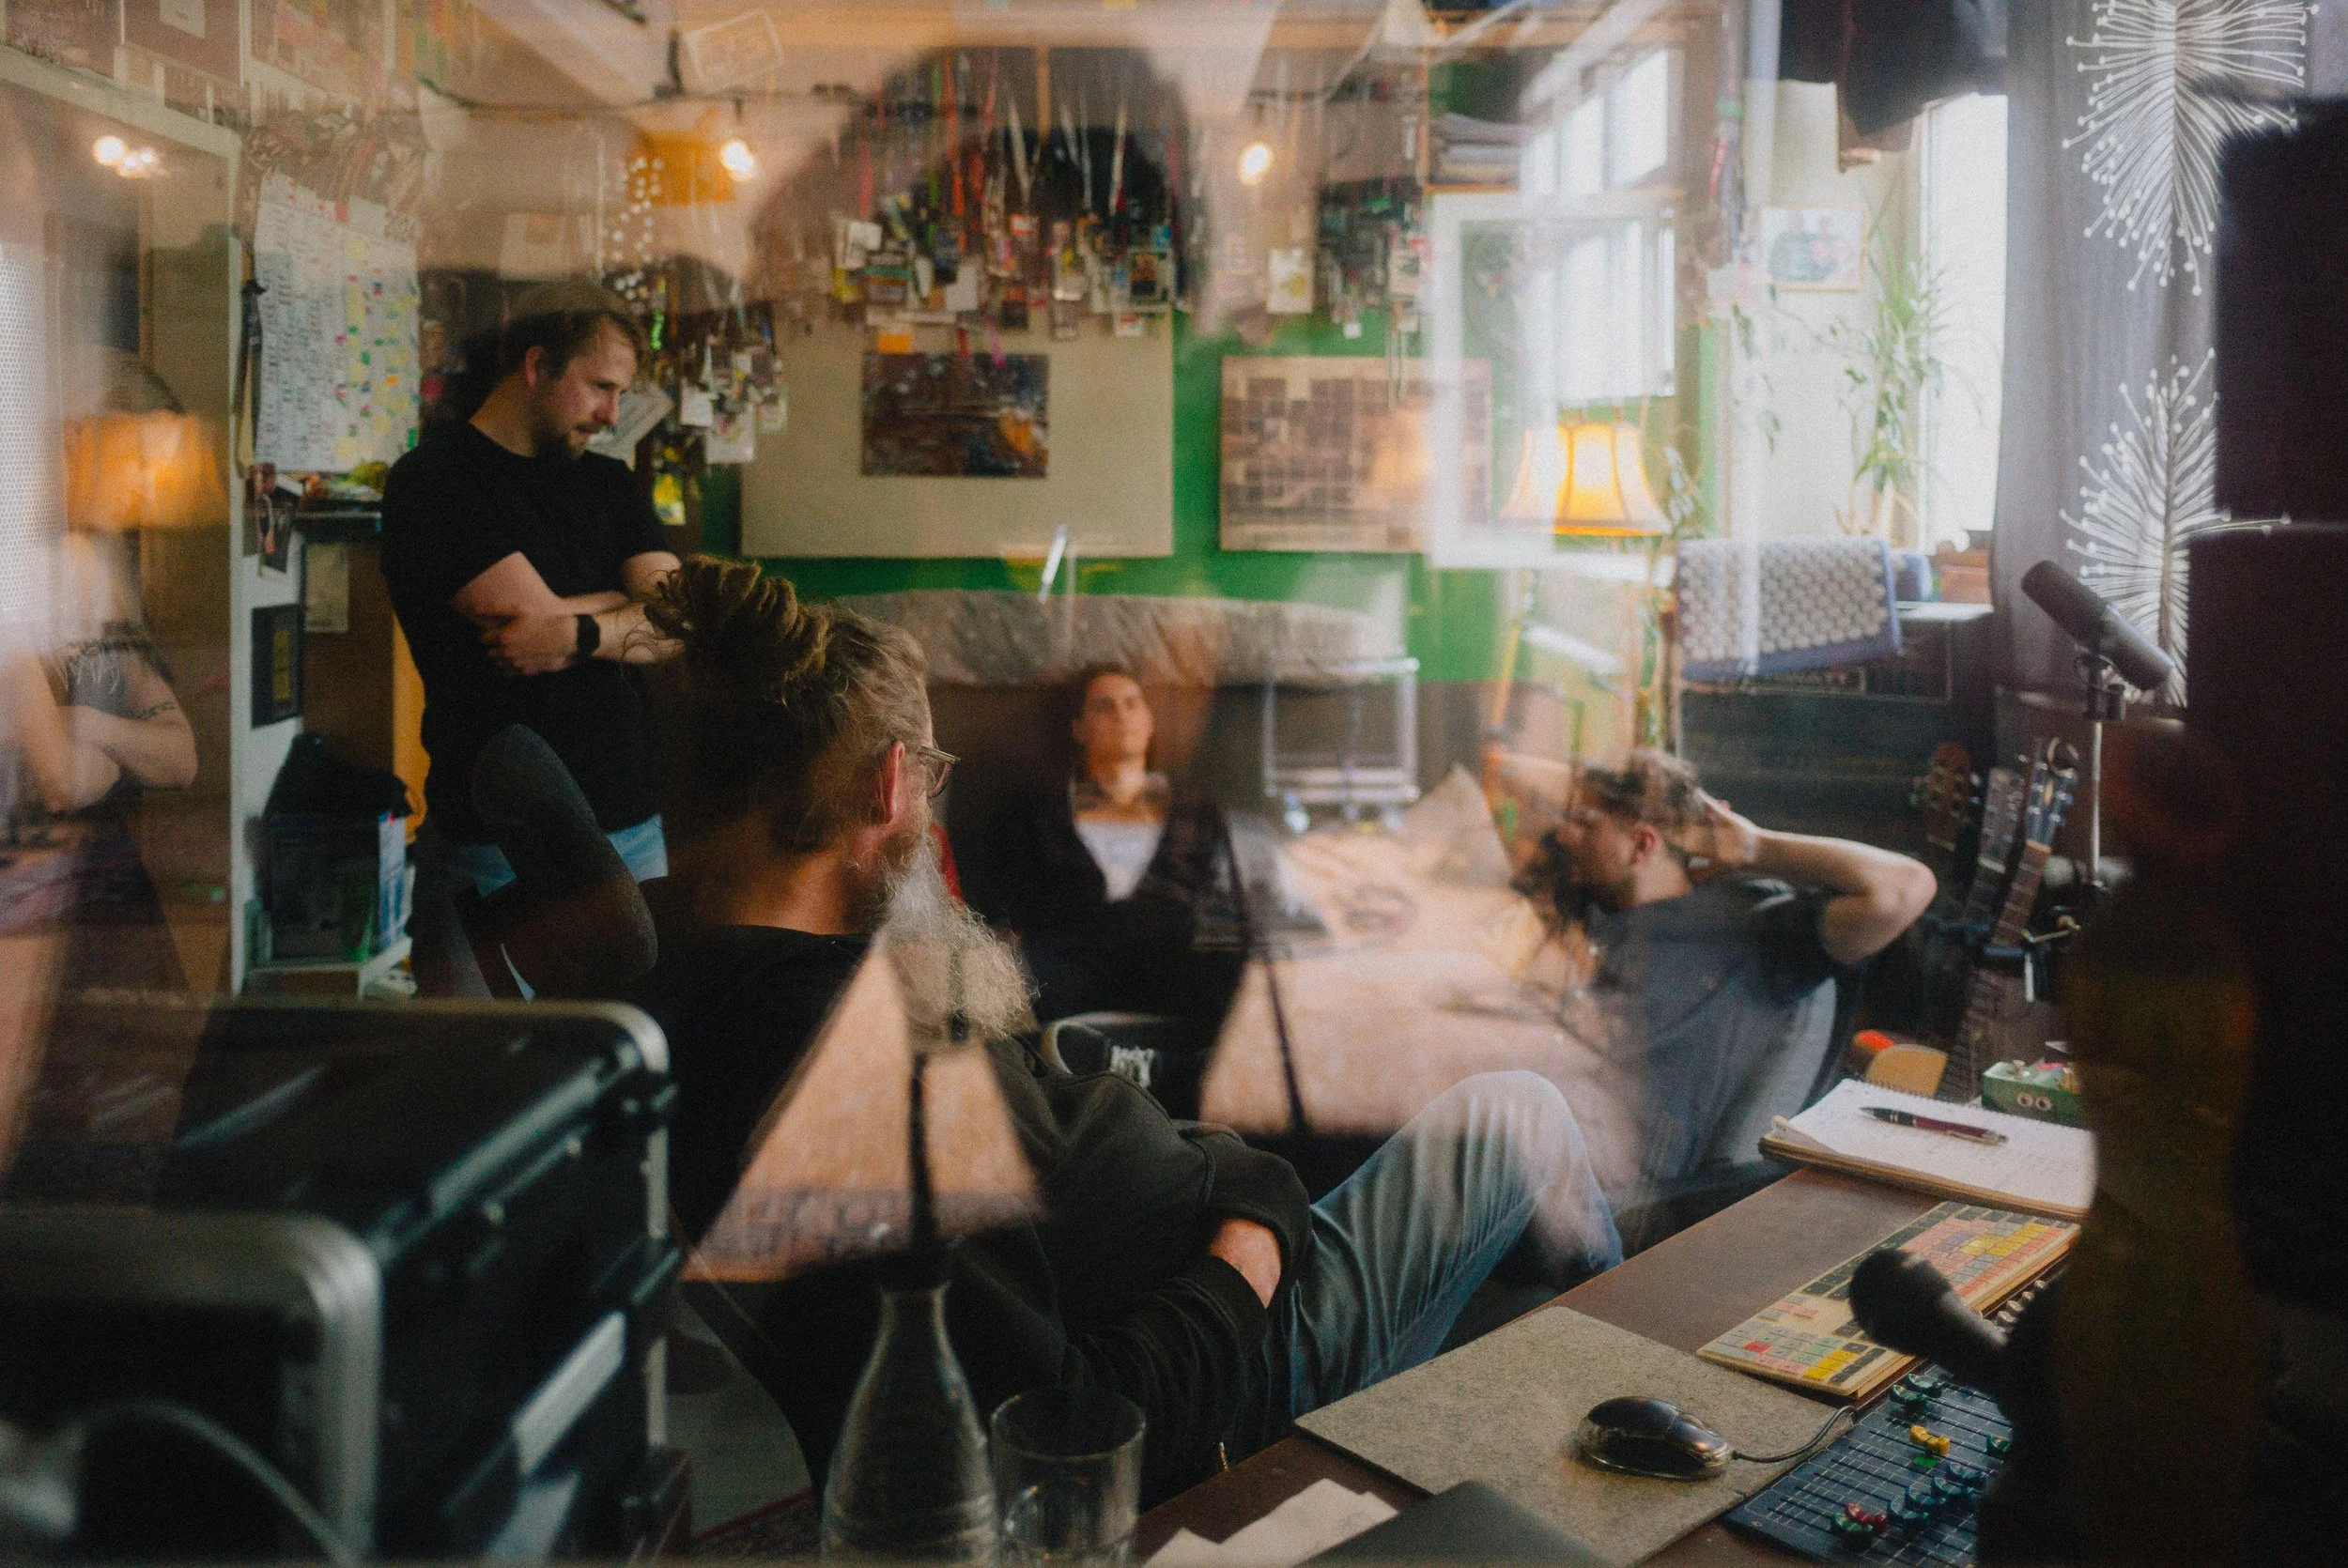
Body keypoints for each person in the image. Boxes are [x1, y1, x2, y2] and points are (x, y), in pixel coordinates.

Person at [632, 558, 1622, 1505]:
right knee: (1520, 1112)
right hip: (1233, 1369)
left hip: (1185, 1249)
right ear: (890, 785)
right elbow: (1066, 1426)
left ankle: (1547, 1390)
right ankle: (1637, 1374)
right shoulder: (856, 1072)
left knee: (1469, 1184)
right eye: (932, 770)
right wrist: (1251, 1234)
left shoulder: (727, 986)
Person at [379, 280, 681, 995]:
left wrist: (577, 630)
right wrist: (627, 603)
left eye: (620, 394)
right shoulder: (436, 481)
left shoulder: (610, 483)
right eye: (600, 388)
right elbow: (524, 630)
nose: (612, 415)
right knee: (494, 1059)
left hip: (633, 829)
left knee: (629, 1050)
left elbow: (682, 620)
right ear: (538, 365)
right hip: (499, 842)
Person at [1536, 748, 1936, 1192]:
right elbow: (1502, 767)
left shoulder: (1752, 928)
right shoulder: (1592, 907)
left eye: (1585, 823)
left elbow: (1906, 888)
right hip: (1542, 1134)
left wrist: (1754, 846)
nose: (1564, 834)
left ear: (1642, 844)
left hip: (1601, 1187)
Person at [979, 665, 1243, 1037]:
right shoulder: (1040, 810)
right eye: (1104, 706)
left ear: (1150, 721)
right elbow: (1012, 903)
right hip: (1070, 970)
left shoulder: (1196, 809)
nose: (1121, 715)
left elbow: (1227, 899)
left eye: (1132, 704)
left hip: (1173, 966)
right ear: (1079, 728)